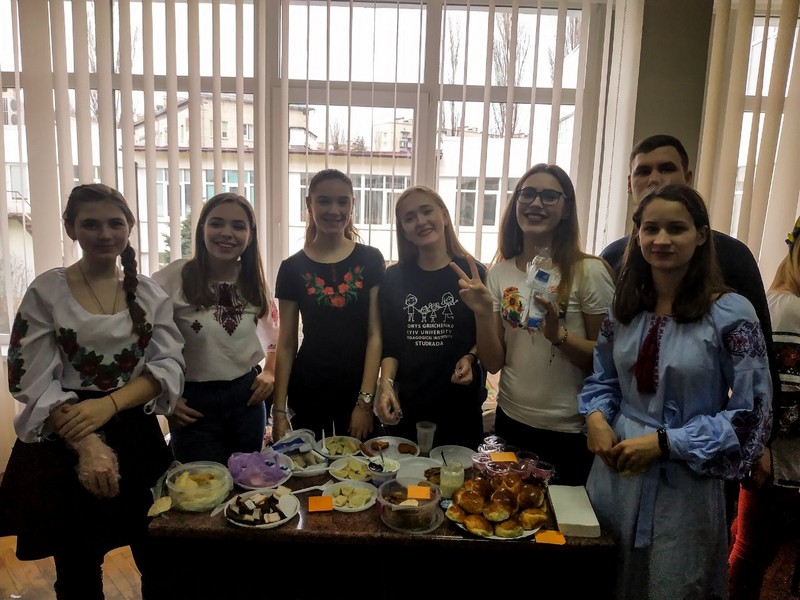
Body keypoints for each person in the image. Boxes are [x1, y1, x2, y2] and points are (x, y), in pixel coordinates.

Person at [579, 183, 772, 599]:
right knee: (603, 577)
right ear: (637, 235)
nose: (661, 240)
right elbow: (603, 379)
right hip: (615, 472)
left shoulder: (731, 312)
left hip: (683, 483)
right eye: (651, 229)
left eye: (676, 228)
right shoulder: (624, 305)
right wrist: (595, 417)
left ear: (700, 235)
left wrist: (666, 443)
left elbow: (751, 413)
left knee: (672, 583)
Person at [0, 184, 185, 599]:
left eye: (115, 223)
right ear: (70, 229)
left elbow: (168, 366)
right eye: (91, 224)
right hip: (65, 427)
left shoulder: (149, 293)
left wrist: (110, 405)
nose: (104, 234)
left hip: (134, 430)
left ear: (129, 227)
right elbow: (29, 375)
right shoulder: (47, 291)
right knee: (78, 564)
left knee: (158, 553)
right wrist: (87, 442)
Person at [601, 133, 779, 532]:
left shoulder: (732, 273)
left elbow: (755, 384)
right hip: (620, 459)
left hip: (690, 471)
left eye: (666, 168)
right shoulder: (615, 266)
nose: (662, 240)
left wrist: (759, 445)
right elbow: (606, 368)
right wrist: (596, 415)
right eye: (644, 171)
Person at [453, 163, 615, 485]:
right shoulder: (500, 273)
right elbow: (494, 363)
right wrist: (483, 312)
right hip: (512, 420)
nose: (536, 203)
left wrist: (559, 336)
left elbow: (608, 362)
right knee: (508, 509)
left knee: (561, 516)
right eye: (527, 194)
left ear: (566, 208)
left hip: (571, 429)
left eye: (549, 196)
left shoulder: (589, 272)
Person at [152, 192, 279, 465]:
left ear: (250, 236)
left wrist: (270, 371)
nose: (226, 233)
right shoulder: (172, 278)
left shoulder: (253, 282)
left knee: (248, 481)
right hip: (193, 404)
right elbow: (145, 344)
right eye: (217, 223)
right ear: (202, 229)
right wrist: (165, 398)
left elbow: (275, 336)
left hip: (247, 400)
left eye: (238, 226)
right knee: (200, 484)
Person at [271, 169, 384, 442]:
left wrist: (364, 402)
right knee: (312, 465)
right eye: (324, 201)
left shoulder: (371, 259)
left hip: (358, 389)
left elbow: (375, 335)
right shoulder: (291, 268)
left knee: (362, 466)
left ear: (352, 204)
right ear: (309, 204)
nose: (334, 210)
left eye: (342, 201)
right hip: (308, 389)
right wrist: (279, 411)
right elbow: (286, 344)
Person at [375, 186, 487, 449]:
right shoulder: (393, 278)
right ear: (404, 230)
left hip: (460, 409)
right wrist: (385, 384)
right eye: (410, 218)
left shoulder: (473, 273)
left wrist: (471, 357)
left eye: (427, 211)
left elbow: (487, 336)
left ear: (444, 216)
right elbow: (391, 345)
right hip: (408, 409)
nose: (420, 221)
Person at [728, 216, 800, 600]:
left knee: (748, 549)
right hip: (781, 463)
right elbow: (779, 395)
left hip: (774, 459)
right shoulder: (788, 310)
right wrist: (761, 449)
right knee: (751, 556)